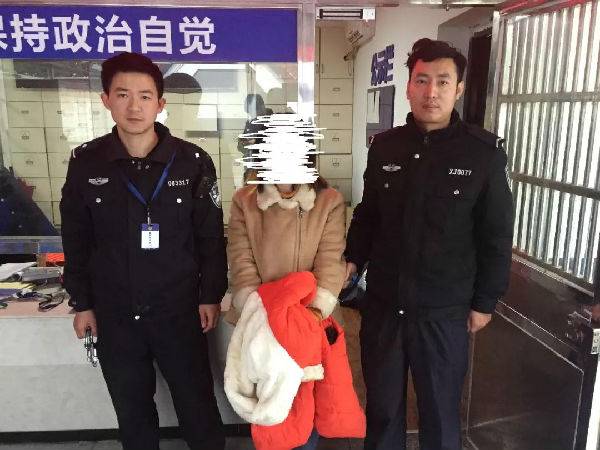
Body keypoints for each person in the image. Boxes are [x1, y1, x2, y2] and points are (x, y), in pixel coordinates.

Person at [344, 38, 514, 450]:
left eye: (443, 81)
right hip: (384, 306)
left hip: (444, 312)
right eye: (421, 80)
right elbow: (368, 214)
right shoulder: (386, 146)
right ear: (409, 86)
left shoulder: (482, 154)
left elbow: (496, 234)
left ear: (459, 89)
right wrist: (352, 260)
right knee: (383, 411)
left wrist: (485, 301)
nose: (431, 92)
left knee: (439, 413)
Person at [60, 52, 227, 450]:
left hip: (179, 310)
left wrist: (210, 295)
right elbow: (76, 238)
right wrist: (82, 303)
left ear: (160, 103)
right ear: (106, 100)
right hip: (115, 313)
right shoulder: (86, 162)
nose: (134, 106)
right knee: (132, 411)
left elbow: (210, 237)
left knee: (197, 407)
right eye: (122, 95)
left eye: (145, 96)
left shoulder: (192, 162)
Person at [226, 170, 347, 449]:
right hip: (261, 321)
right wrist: (263, 315)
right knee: (270, 405)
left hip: (311, 320)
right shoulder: (245, 200)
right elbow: (241, 260)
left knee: (307, 403)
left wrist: (310, 315)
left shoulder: (328, 201)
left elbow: (330, 261)